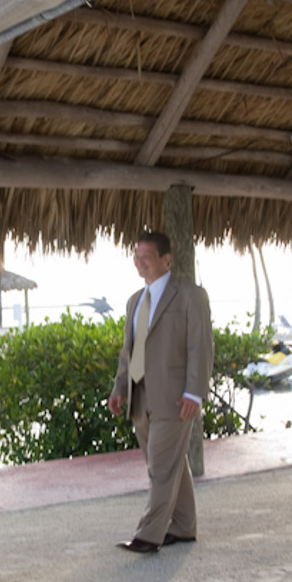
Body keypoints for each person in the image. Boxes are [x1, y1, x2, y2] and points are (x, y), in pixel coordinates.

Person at [107, 231, 214, 553]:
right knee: (170, 464)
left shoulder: (190, 296)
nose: (140, 263)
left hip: (175, 397)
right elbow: (129, 352)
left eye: (147, 257)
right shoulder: (134, 301)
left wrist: (195, 392)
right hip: (139, 397)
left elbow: (200, 345)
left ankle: (148, 535)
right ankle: (183, 526)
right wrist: (119, 388)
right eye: (136, 257)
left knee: (161, 466)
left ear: (166, 259)